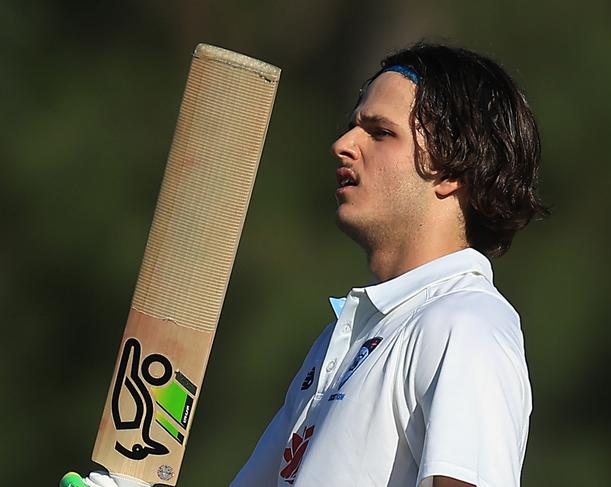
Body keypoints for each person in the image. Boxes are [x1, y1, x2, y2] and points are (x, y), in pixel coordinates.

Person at [64, 42, 547, 487]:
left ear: (453, 171)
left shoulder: (466, 325)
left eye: (379, 132)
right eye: (354, 124)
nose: (343, 143)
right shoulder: (344, 341)